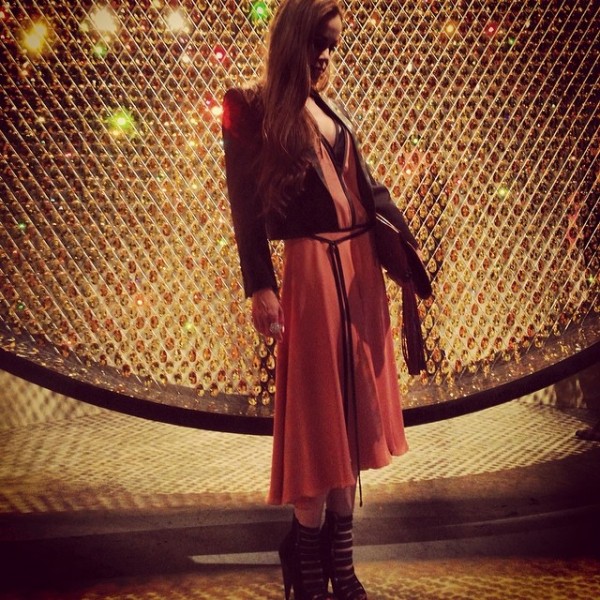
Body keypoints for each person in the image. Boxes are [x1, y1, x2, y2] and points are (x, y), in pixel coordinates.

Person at [222, 1, 417, 598]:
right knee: (317, 427)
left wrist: (407, 259)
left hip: (358, 273)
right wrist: (260, 286)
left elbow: (366, 188)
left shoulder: (329, 106)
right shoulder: (250, 106)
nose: (326, 56)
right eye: (317, 43)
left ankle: (341, 567)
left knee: (352, 424)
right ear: (291, 41)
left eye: (333, 45)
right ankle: (309, 571)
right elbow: (243, 206)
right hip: (312, 273)